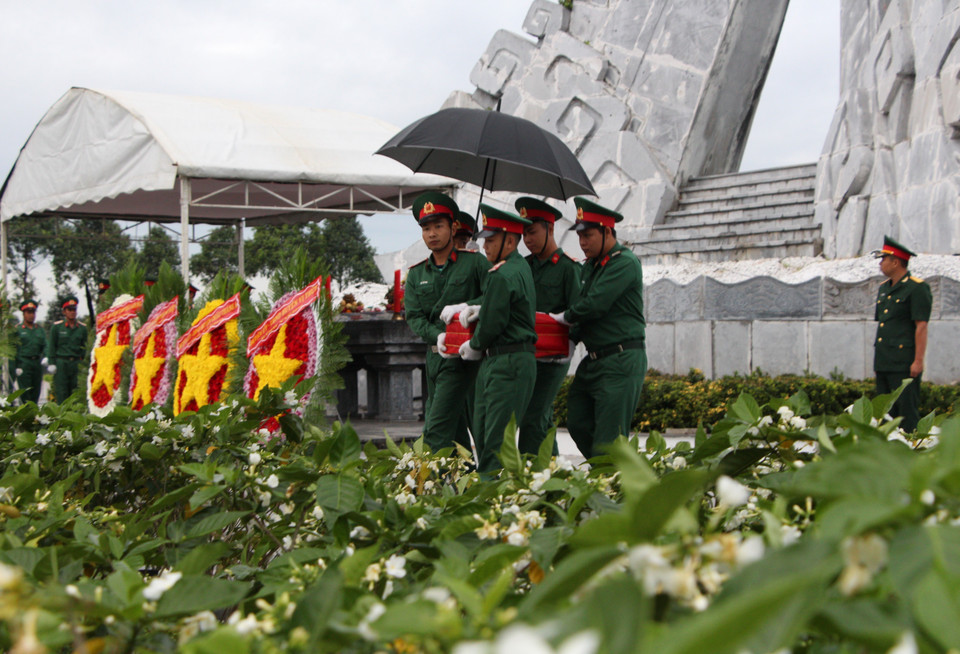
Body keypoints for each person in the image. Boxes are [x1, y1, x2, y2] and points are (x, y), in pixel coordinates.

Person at [550, 197, 646, 459]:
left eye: (588, 235)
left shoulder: (624, 263)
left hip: (620, 359)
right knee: (578, 422)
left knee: (609, 439)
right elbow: (584, 309)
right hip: (594, 362)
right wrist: (569, 339)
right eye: (580, 236)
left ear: (607, 231)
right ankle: (608, 475)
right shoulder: (591, 267)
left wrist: (564, 318)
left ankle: (611, 484)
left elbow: (595, 305)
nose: (582, 242)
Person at [452, 203, 537, 474]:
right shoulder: (517, 267)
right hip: (508, 359)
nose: (485, 245)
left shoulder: (502, 275)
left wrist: (475, 344)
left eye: (491, 240)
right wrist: (483, 308)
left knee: (492, 442)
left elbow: (495, 321)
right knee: (489, 435)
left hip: (506, 360)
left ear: (510, 241)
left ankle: (492, 502)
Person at [404, 192, 489, 453]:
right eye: (426, 228)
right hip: (435, 357)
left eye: (438, 226)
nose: (432, 234)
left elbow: (495, 297)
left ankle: (435, 485)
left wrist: (472, 305)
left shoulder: (474, 263)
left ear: (453, 227)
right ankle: (461, 484)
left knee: (437, 428)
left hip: (467, 357)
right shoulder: (417, 274)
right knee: (453, 431)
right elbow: (414, 316)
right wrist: (436, 335)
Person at [516, 196, 581, 455]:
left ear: (550, 228)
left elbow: (578, 313)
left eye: (532, 232)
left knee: (532, 416)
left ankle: (530, 474)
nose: (527, 239)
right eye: (523, 234)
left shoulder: (568, 268)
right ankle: (552, 472)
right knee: (540, 417)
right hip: (528, 352)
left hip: (555, 356)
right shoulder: (523, 267)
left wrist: (570, 347)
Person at [871, 235, 932, 433]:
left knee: (906, 414)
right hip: (884, 361)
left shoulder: (917, 288)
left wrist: (918, 361)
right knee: (884, 414)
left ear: (895, 261)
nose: (880, 263)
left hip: (904, 362)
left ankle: (911, 455)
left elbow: (921, 326)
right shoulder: (883, 289)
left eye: (883, 259)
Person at [46, 296, 89, 402]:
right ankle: (61, 417)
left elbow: (85, 347)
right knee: (61, 392)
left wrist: (84, 363)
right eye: (69, 310)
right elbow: (52, 345)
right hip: (62, 363)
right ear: (64, 311)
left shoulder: (82, 328)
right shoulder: (57, 327)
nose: (72, 312)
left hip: (76, 363)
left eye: (74, 310)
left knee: (76, 392)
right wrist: (51, 363)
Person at [13, 299, 46, 404]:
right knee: (25, 392)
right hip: (24, 363)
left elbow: (45, 345)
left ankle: (34, 415)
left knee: (36, 390)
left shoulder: (39, 329)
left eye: (33, 312)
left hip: (36, 362)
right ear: (23, 314)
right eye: (28, 312)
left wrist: (46, 357)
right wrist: (16, 365)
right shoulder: (18, 329)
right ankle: (26, 416)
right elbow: (13, 349)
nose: (31, 315)